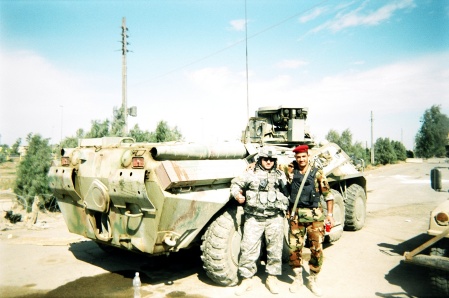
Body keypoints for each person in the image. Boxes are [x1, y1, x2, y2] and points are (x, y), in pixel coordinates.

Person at [230, 146, 289, 296]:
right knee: (248, 249)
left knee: (275, 249)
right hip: (254, 218)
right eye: (265, 159)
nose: (268, 162)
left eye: (271, 159)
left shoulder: (281, 174)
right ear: (260, 159)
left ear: (275, 161)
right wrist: (238, 195)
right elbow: (235, 184)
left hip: (275, 218)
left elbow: (288, 191)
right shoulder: (250, 173)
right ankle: (247, 280)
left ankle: (272, 278)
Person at [287, 144, 335, 296]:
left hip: (315, 218)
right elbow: (272, 165)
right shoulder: (290, 171)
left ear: (308, 156)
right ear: (295, 158)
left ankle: (313, 279)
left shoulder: (318, 174)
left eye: (303, 156)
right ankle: (298, 278)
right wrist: (253, 165)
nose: (301, 159)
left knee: (316, 249)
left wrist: (330, 215)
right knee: (294, 249)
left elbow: (328, 196)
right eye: (298, 157)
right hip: (296, 216)